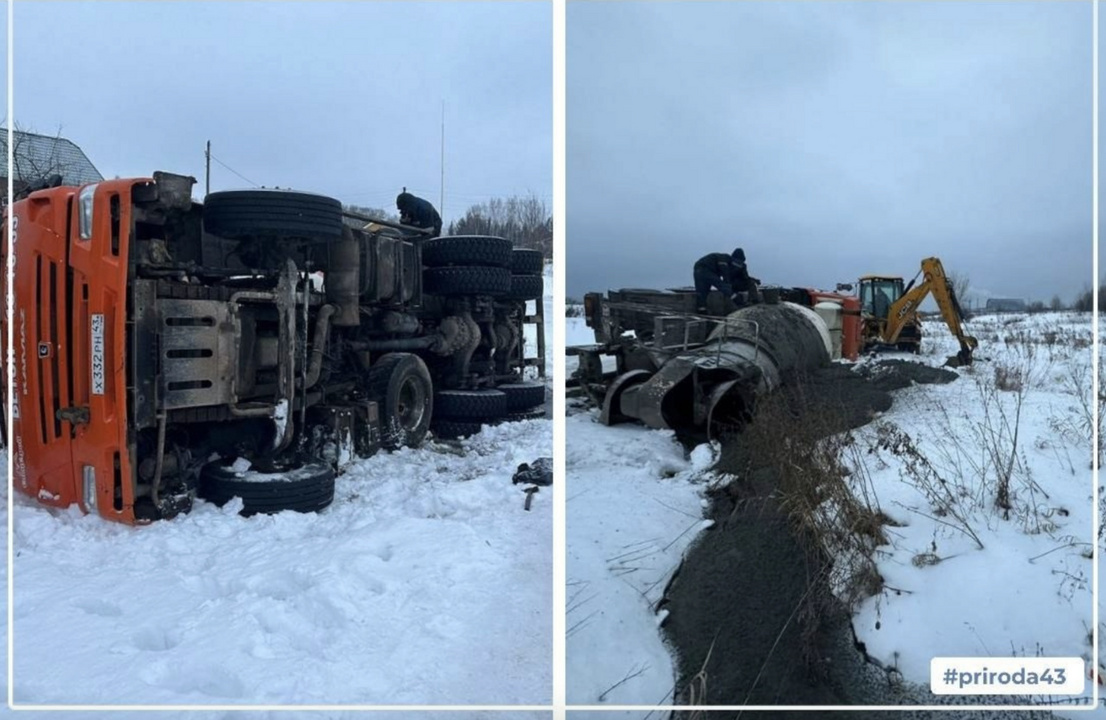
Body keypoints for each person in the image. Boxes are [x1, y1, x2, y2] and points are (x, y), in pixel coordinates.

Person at [693, 247, 755, 312]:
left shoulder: (725, 261)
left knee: (702, 293)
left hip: (699, 270)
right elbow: (725, 278)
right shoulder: (724, 259)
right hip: (704, 269)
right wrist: (734, 295)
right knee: (720, 286)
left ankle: (702, 312)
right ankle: (739, 302)